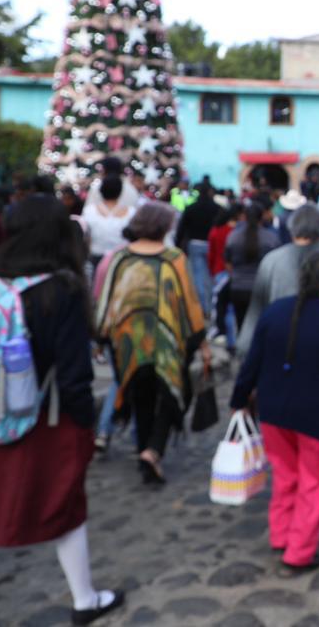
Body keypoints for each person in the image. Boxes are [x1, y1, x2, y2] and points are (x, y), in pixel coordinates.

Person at [0, 195, 125, 626]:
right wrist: (87, 423)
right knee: (68, 506)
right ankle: (85, 599)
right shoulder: (63, 289)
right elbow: (74, 375)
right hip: (49, 420)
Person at [229, 252, 319, 573]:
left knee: (285, 478)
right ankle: (299, 552)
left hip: (274, 412)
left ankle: (282, 535)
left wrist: (239, 399)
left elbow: (251, 364)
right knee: (313, 484)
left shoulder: (274, 313)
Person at [95, 203, 208, 485]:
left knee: (140, 395)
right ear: (164, 226)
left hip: (127, 342)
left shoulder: (120, 259)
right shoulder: (174, 259)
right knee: (171, 393)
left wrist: (100, 337)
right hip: (168, 341)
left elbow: (107, 299)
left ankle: (143, 448)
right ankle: (153, 450)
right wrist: (201, 340)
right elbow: (190, 302)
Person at [238, 205, 319, 347]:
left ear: (292, 230)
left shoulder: (272, 261)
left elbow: (256, 311)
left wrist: (245, 349)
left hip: (281, 345)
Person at [225, 204, 280, 338]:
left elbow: (228, 263)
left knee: (241, 325)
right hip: (262, 289)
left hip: (238, 287)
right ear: (262, 217)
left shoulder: (233, 237)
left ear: (244, 217)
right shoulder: (271, 238)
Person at [174, 180, 219, 318]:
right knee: (212, 277)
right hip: (212, 245)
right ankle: (212, 307)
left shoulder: (191, 208)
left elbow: (181, 229)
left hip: (195, 244)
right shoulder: (217, 208)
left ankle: (203, 308)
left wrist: (178, 244)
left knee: (198, 277)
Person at [209, 203, 243, 350]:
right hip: (233, 272)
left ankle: (230, 338)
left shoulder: (215, 231)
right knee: (232, 309)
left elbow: (211, 254)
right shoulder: (237, 232)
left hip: (219, 271)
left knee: (224, 307)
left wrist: (212, 270)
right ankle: (233, 339)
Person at [80, 175, 134, 267]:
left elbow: (84, 237)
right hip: (122, 260)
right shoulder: (131, 213)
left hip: (95, 259)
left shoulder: (89, 211)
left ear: (101, 190)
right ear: (120, 191)